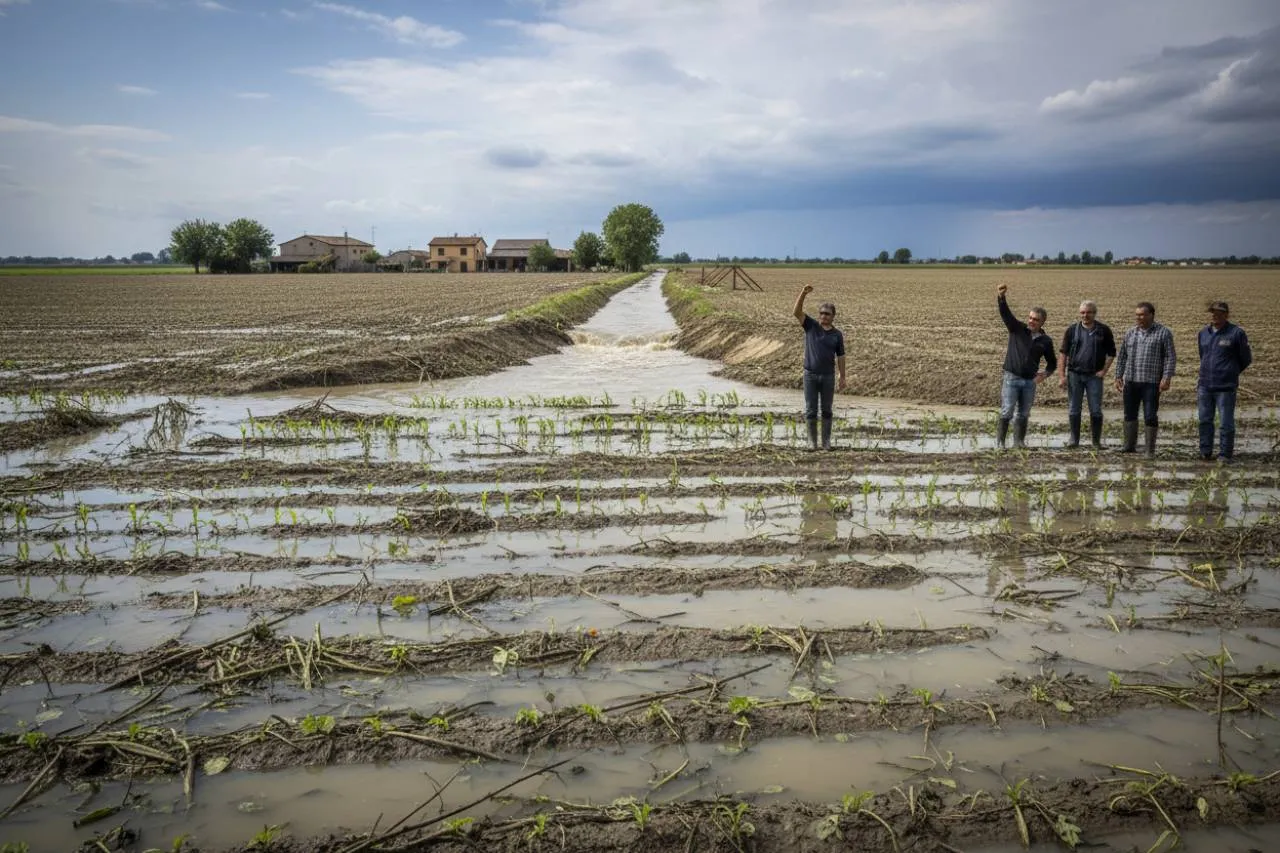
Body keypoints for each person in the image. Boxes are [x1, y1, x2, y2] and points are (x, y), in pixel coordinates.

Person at [995, 283, 1056, 449]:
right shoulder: (1018, 329)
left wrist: (1045, 374)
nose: (1031, 321)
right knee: (1007, 411)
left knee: (1024, 413)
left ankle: (1019, 443)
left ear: (1042, 322)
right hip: (1011, 378)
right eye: (1030, 318)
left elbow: (1052, 363)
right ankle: (1000, 443)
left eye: (1035, 319)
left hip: (1030, 382)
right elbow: (1006, 315)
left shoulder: (1046, 341)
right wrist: (1001, 297)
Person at [1113, 301, 1175, 457]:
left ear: (1151, 315)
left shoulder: (1163, 333)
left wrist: (1166, 377)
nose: (1138, 317)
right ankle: (1129, 445)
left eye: (1142, 314)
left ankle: (1149, 450)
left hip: (1152, 382)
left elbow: (1170, 357)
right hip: (1131, 381)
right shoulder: (1130, 333)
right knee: (1129, 414)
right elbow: (1122, 356)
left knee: (1150, 415)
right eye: (1137, 315)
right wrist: (1118, 376)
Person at [793, 284, 847, 450]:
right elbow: (796, 312)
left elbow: (841, 356)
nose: (823, 316)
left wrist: (842, 376)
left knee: (826, 410)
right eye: (822, 313)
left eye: (827, 314)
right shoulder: (811, 326)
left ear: (833, 317)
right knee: (811, 410)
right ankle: (812, 442)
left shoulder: (837, 335)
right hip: (810, 375)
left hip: (828, 377)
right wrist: (803, 293)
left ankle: (826, 442)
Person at [1197, 301, 1252, 462]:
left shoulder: (1236, 333)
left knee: (1226, 422)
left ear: (1226, 314)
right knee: (1204, 420)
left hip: (1226, 387)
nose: (1214, 315)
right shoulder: (1203, 333)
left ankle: (1225, 454)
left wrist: (1231, 371)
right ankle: (1205, 451)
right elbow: (1203, 355)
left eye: (1219, 312)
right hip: (1205, 385)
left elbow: (1246, 359)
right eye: (1212, 312)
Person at [1057, 299, 1116, 449]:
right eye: (1083, 312)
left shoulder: (1104, 330)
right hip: (1074, 375)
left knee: (1095, 409)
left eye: (1089, 312)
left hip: (1094, 377)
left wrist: (1104, 371)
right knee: (1074, 408)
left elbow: (1111, 353)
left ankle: (1096, 442)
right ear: (1079, 313)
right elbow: (1063, 354)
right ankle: (1073, 440)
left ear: (1094, 313)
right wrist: (1062, 376)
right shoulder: (1072, 330)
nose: (1085, 315)